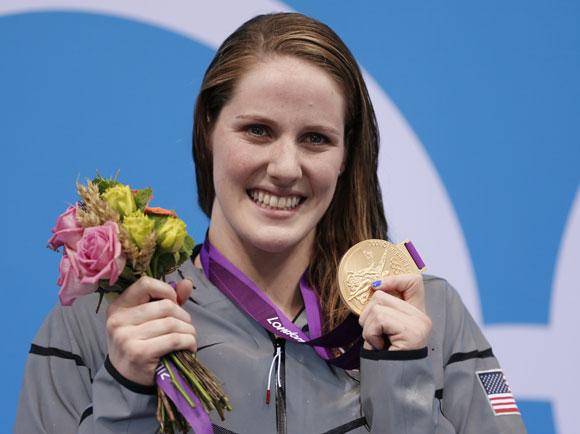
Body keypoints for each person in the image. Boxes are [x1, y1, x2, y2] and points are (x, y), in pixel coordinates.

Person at [16, 12, 527, 434]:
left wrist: (404, 389)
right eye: (258, 130)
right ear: (209, 132)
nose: (285, 168)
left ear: (347, 156)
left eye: (316, 139)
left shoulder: (431, 317)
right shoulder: (98, 324)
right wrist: (126, 392)